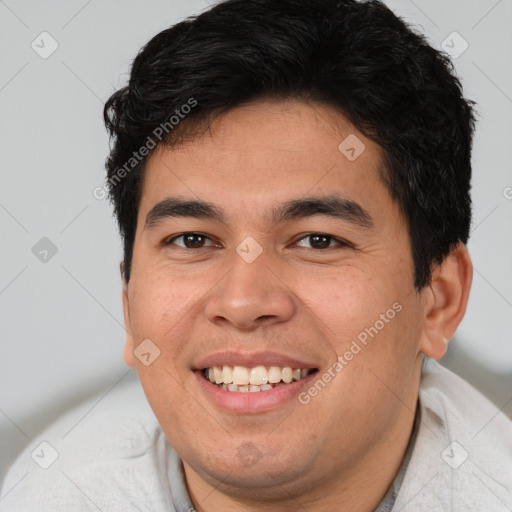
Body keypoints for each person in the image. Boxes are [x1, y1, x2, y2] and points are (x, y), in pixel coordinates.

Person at [2, 0, 511, 510]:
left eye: (318, 240)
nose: (243, 302)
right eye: (192, 240)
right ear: (129, 303)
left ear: (440, 301)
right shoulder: (39, 486)